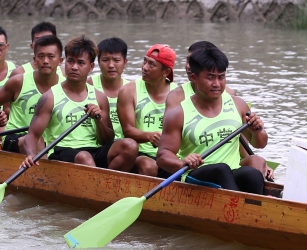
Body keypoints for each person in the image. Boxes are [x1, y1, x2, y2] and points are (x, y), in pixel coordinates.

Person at [156, 46, 267, 194]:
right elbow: (163, 156)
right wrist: (183, 162)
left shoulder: (238, 104)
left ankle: (251, 209)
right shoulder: (179, 114)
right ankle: (244, 208)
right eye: (210, 77)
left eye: (221, 77)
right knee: (220, 169)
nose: (217, 84)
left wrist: (257, 131)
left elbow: (260, 143)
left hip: (232, 172)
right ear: (194, 78)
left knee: (252, 175)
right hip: (195, 175)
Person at [22, 36, 137, 171]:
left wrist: (98, 119)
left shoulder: (99, 97)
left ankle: (105, 184)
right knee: (84, 157)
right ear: (64, 63)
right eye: (71, 61)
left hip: (94, 151)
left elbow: (106, 140)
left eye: (81, 63)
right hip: (62, 151)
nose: (74, 67)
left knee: (130, 145)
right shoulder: (50, 97)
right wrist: (30, 155)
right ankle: (101, 187)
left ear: (91, 67)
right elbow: (32, 135)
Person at [0, 35, 61, 153]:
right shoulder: (19, 81)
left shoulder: (65, 85)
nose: (45, 61)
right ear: (34, 60)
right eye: (41, 56)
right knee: (36, 141)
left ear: (60, 61)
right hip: (16, 137)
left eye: (51, 57)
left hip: (49, 140)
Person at [117, 44, 175, 176]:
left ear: (166, 72)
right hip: (139, 153)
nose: (144, 67)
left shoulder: (178, 94)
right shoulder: (128, 90)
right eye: (145, 61)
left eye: (152, 65)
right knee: (148, 166)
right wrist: (150, 136)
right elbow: (127, 130)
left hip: (168, 154)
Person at [90, 37, 131, 140]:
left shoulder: (131, 89)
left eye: (116, 60)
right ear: (98, 62)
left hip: (124, 145)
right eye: (105, 60)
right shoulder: (89, 84)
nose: (111, 65)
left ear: (125, 62)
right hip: (96, 143)